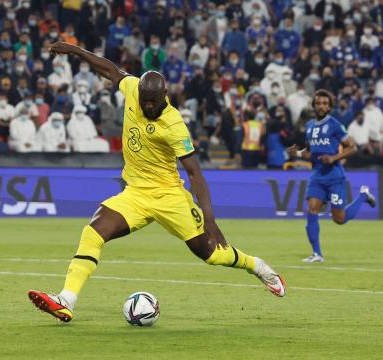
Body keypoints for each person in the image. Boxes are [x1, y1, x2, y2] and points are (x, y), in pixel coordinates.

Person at [28, 42, 287, 323]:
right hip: (136, 193)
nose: (147, 105)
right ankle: (66, 300)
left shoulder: (174, 124)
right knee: (93, 232)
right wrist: (75, 51)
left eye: (153, 101)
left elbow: (195, 173)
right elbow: (110, 69)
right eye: (144, 100)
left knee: (210, 254)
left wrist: (210, 218)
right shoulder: (133, 89)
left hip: (170, 196)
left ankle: (258, 266)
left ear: (165, 96)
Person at [286, 89, 376, 263]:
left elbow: (352, 147)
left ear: (329, 107)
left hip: (335, 178)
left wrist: (333, 158)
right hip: (317, 177)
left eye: (325, 104)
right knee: (312, 209)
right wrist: (296, 154)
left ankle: (363, 195)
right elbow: (310, 153)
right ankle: (317, 254)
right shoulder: (310, 127)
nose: (321, 106)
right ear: (314, 105)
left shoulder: (335, 124)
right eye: (318, 103)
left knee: (339, 219)